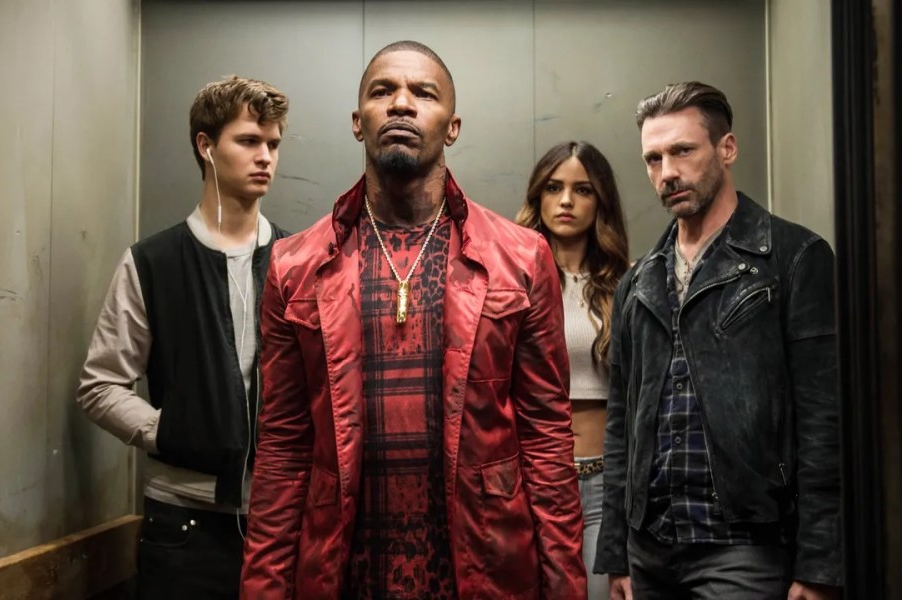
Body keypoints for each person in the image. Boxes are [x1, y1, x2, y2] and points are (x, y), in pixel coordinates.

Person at [240, 40, 586, 599]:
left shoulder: (521, 258)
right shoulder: (295, 265)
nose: (401, 104)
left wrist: (565, 586)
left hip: (483, 569)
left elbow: (546, 440)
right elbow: (282, 448)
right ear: (358, 122)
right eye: (383, 92)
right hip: (345, 571)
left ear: (452, 126)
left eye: (423, 93)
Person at [594, 81, 841, 600]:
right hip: (649, 551)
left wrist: (821, 564)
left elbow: (825, 420)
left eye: (683, 151)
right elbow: (620, 427)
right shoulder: (638, 282)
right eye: (653, 158)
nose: (667, 173)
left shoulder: (793, 257)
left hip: (744, 545)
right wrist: (617, 554)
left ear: (726, 148)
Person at [76, 75, 290, 599]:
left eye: (273, 144)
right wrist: (168, 430)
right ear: (205, 145)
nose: (265, 157)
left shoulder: (298, 259)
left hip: (283, 522)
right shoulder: (153, 262)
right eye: (248, 141)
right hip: (182, 526)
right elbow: (99, 385)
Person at [515, 141, 629, 599]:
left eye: (582, 190)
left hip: (606, 483)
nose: (566, 201)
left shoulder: (627, 282)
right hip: (534, 480)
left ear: (600, 200)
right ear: (537, 196)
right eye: (554, 187)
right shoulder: (510, 282)